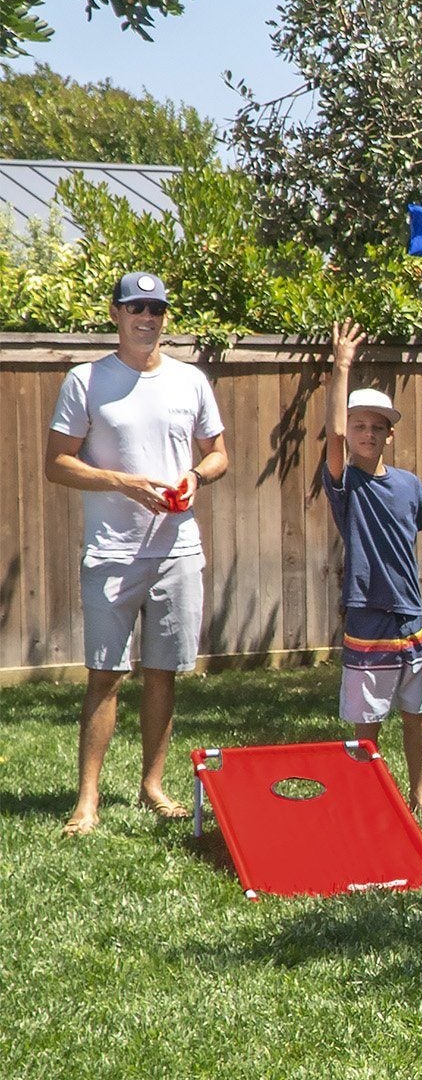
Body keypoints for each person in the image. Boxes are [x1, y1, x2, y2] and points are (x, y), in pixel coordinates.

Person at [43, 271, 230, 834]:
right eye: (135, 307)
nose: (146, 317)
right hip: (112, 553)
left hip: (177, 550)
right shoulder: (86, 379)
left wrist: (197, 477)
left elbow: (218, 452)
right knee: (104, 674)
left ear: (165, 316)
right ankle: (88, 802)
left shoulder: (190, 380)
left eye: (156, 308)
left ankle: (153, 786)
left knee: (163, 672)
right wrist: (121, 482)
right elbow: (56, 463)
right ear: (116, 314)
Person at [323, 320, 422, 819]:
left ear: (389, 436)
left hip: (409, 616)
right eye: (359, 426)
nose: (367, 434)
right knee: (367, 717)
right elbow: (330, 431)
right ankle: (365, 793)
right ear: (349, 434)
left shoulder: (408, 485)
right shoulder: (344, 483)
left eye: (377, 427)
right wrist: (342, 364)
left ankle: (419, 794)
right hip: (367, 616)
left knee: (416, 710)